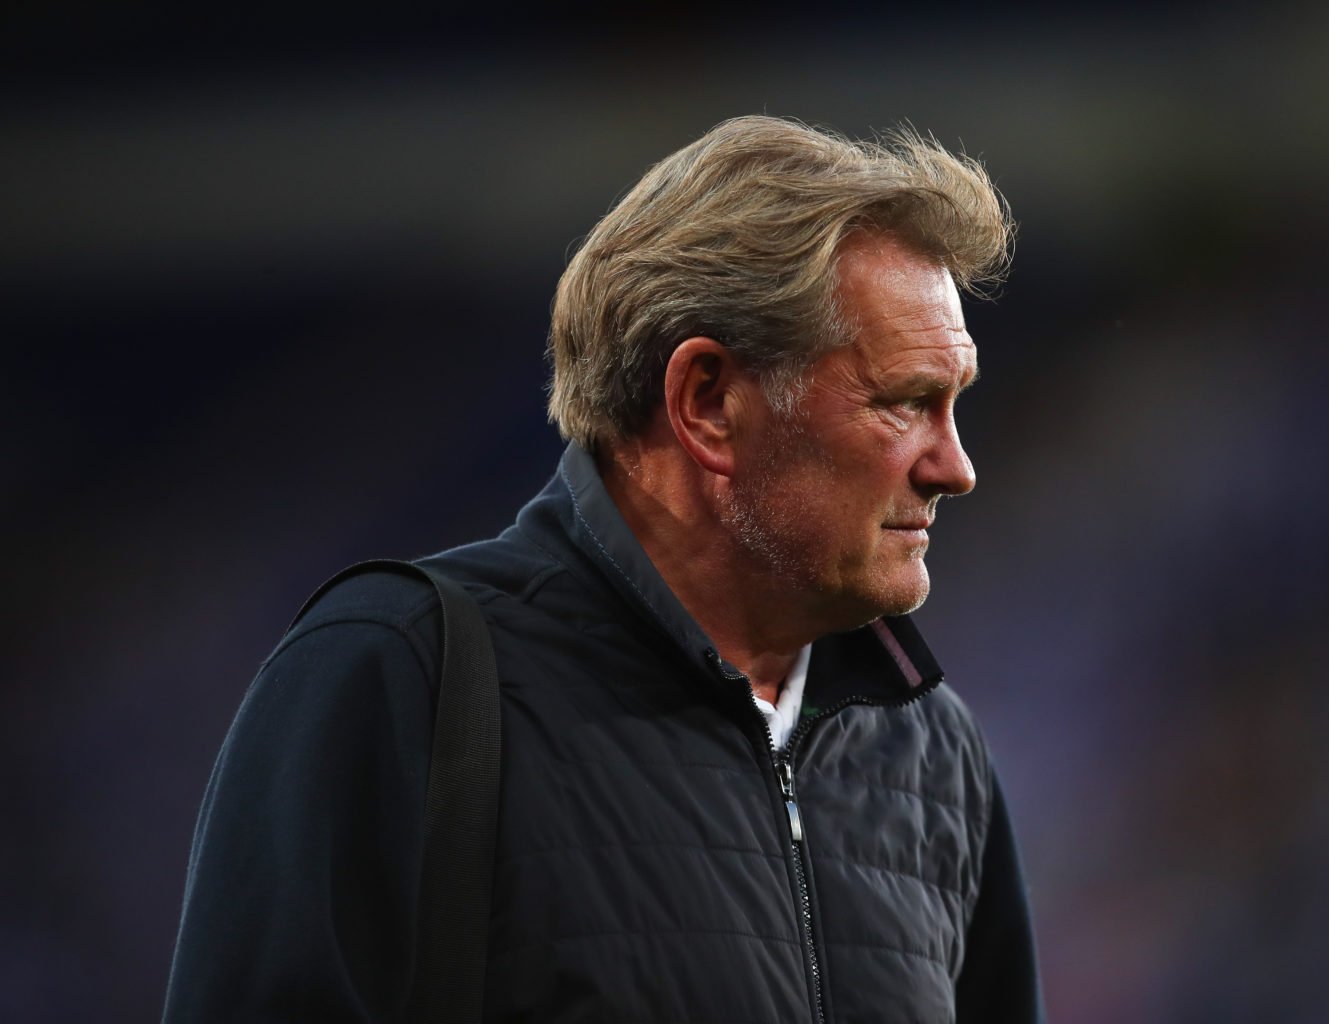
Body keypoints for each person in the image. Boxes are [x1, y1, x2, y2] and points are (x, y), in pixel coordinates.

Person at [163, 115, 1044, 1022]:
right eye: (905, 403)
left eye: (953, 406)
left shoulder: (935, 754)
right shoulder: (400, 678)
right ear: (707, 403)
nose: (956, 467)